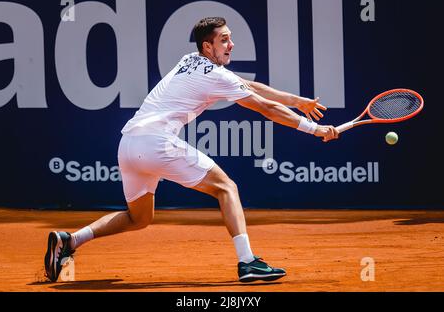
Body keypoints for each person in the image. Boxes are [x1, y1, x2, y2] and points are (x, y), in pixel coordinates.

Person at [44, 17, 339, 283]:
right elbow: (265, 107)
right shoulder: (215, 75)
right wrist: (315, 130)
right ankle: (248, 262)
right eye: (224, 39)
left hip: (129, 145)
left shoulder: (189, 59)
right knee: (226, 188)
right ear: (207, 46)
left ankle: (70, 241)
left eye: (230, 38)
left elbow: (248, 84)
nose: (231, 44)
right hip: (157, 143)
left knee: (139, 218)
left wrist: (296, 100)